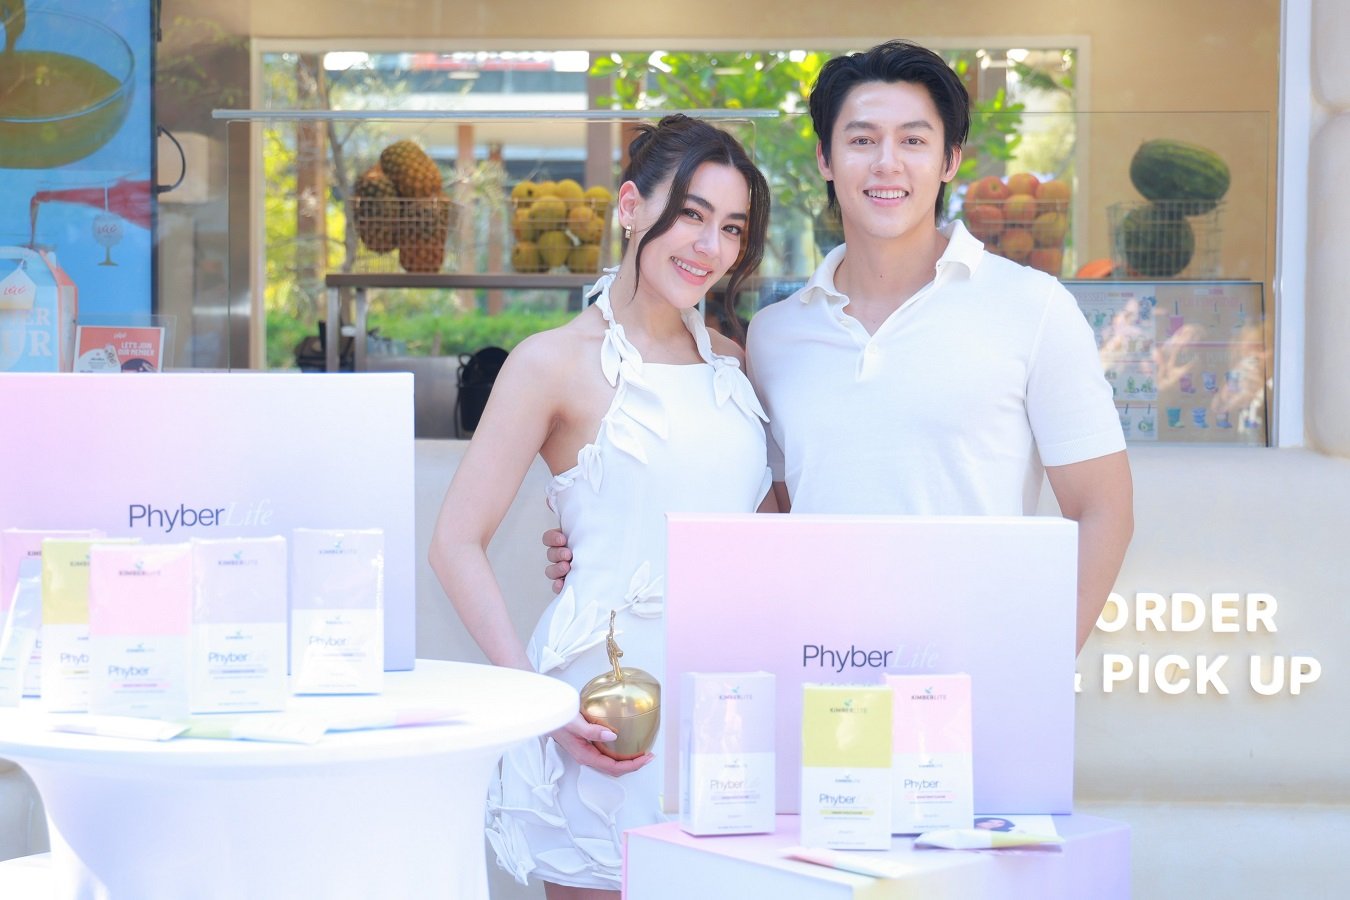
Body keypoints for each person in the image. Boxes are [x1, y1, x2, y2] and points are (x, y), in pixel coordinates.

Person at [545, 41, 1133, 653]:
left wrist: (1035, 669)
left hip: (973, 675)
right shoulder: (774, 336)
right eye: (861, 140)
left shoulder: (1033, 308)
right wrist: (604, 538)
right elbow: (760, 514)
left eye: (913, 140)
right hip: (819, 676)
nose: (887, 163)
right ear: (825, 158)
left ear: (950, 159)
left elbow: (1104, 510)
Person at [429, 114, 772, 899]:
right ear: (630, 206)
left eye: (731, 227)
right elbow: (454, 542)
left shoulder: (733, 362)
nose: (709, 246)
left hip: (728, 711)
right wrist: (540, 704)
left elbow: (758, 530)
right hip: (601, 711)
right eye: (690, 214)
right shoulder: (550, 362)